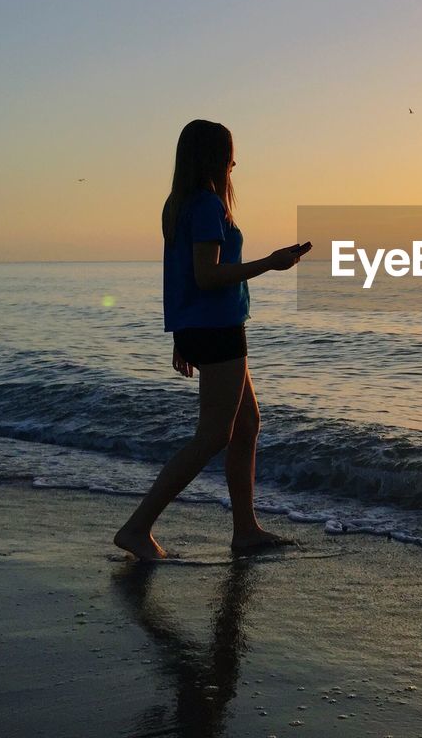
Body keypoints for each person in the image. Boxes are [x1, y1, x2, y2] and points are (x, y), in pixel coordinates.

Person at [114, 119, 310, 561]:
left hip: (201, 328)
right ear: (212, 159)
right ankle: (137, 527)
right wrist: (271, 263)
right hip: (218, 330)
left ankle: (246, 530)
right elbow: (206, 276)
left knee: (246, 426)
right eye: (228, 157)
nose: (233, 164)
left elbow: (180, 275)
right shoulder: (203, 205)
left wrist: (181, 336)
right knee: (214, 435)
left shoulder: (180, 203)